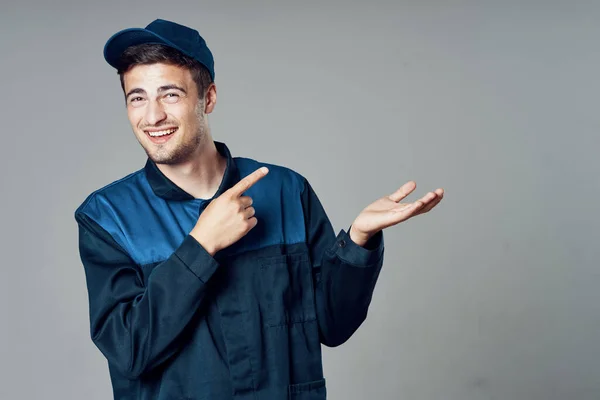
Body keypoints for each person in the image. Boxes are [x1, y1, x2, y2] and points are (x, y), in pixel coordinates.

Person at [74, 18, 444, 400]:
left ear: (208, 98)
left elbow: (333, 326)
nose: (152, 117)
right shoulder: (107, 218)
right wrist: (200, 247)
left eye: (170, 94)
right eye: (137, 97)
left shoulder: (285, 191)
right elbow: (130, 351)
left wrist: (358, 242)